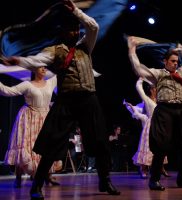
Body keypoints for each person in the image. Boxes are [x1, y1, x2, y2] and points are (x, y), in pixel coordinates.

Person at [3, 0, 120, 198]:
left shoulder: (85, 46)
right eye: (71, 30)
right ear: (63, 32)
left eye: (76, 29)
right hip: (67, 101)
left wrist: (76, 11)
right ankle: (37, 185)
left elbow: (94, 26)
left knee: (100, 141)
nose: (75, 32)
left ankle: (104, 180)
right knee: (52, 143)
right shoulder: (54, 51)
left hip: (89, 100)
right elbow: (36, 60)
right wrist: (19, 61)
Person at [128, 37, 182, 191]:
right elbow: (138, 68)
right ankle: (154, 180)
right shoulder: (158, 73)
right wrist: (132, 50)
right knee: (161, 145)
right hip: (164, 111)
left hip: (180, 110)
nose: (175, 63)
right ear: (165, 61)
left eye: (177, 61)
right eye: (172, 61)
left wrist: (178, 49)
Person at [0, 67, 61, 188]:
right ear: (34, 70)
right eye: (40, 67)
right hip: (28, 119)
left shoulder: (51, 82)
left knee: (46, 147)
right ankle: (18, 178)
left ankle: (48, 176)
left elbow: (64, 72)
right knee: (25, 147)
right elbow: (8, 91)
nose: (44, 69)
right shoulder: (27, 85)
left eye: (45, 67)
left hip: (45, 118)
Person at [124, 78, 170, 179]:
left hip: (159, 125)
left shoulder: (160, 101)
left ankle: (161, 167)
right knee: (147, 147)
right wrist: (141, 79)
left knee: (160, 146)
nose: (158, 90)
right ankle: (144, 169)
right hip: (150, 125)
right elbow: (138, 88)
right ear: (152, 90)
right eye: (156, 88)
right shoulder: (147, 100)